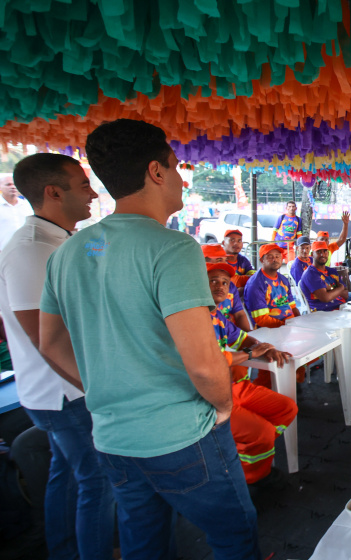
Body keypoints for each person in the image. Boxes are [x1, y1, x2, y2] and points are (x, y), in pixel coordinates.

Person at [38, 119, 261, 559]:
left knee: (144, 542)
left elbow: (50, 345)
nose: (180, 178)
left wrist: (105, 391)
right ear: (157, 172)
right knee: (234, 536)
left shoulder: (67, 252)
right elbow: (201, 361)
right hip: (181, 434)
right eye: (176, 166)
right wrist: (222, 404)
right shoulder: (172, 248)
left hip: (111, 435)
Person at [0, 153, 114, 559]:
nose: (92, 193)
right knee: (96, 480)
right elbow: (43, 339)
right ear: (52, 192)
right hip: (64, 392)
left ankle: (66, 549)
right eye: (83, 185)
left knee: (67, 476)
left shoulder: (60, 240)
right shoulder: (33, 250)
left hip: (70, 389)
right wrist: (98, 390)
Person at [206, 262, 298, 486]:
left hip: (235, 387)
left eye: (225, 283)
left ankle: (246, 453)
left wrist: (266, 347)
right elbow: (209, 363)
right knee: (261, 433)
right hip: (209, 397)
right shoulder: (196, 319)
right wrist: (248, 353)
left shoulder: (218, 316)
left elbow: (242, 338)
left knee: (287, 408)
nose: (220, 286)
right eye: (213, 281)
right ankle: (251, 482)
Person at [244, 244, 300, 329]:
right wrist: (286, 326)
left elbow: (292, 307)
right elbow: (261, 319)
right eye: (270, 257)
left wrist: (300, 322)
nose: (275, 260)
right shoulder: (255, 284)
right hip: (271, 331)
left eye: (277, 256)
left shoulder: (283, 279)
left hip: (290, 326)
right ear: (262, 260)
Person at [203, 244, 253, 332]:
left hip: (230, 335)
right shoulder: (195, 290)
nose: (225, 263)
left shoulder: (231, 286)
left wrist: (249, 336)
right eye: (219, 260)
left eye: (226, 260)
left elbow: (239, 314)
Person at [298, 242, 348, 312]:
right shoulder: (310, 273)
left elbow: (346, 294)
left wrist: (330, 289)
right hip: (323, 312)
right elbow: (326, 298)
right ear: (312, 254)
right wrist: (340, 287)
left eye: (325, 251)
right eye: (318, 252)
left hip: (341, 308)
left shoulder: (331, 271)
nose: (322, 255)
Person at [0, 172, 34, 250]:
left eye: (14, 184)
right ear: (0, 187)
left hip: (26, 251)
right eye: (8, 184)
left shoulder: (27, 205)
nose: (13, 187)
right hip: (3, 254)